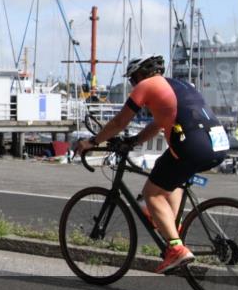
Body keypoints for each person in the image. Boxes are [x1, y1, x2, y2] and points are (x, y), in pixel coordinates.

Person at [73, 56, 229, 273]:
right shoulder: (179, 85)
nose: (133, 84)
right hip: (218, 143)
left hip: (192, 145)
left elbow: (120, 122)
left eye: (133, 79)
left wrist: (92, 142)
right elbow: (156, 125)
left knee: (152, 194)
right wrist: (134, 141)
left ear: (140, 75)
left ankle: (176, 249)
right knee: (170, 180)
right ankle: (172, 232)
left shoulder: (146, 86)